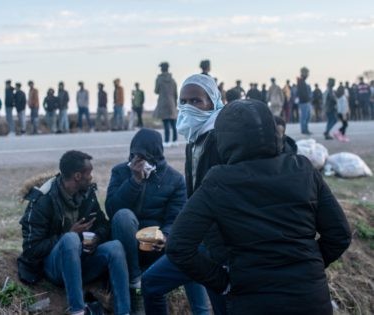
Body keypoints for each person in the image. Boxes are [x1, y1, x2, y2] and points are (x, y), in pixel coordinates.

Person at [167, 99, 352, 315]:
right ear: (273, 131)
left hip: (253, 300)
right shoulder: (302, 168)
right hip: (311, 300)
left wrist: (224, 282)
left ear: (224, 138)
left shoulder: (219, 180)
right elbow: (340, 234)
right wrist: (309, 266)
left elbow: (178, 245)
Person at [142, 74, 227, 315]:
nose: (188, 107)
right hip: (201, 240)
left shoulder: (221, 138)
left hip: (221, 244)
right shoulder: (195, 140)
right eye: (184, 101)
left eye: (196, 101)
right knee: (151, 283)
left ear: (213, 102)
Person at [18, 150, 131, 315]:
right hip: (54, 268)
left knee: (115, 247)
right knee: (70, 239)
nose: (91, 177)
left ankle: (124, 312)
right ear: (77, 176)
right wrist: (68, 235)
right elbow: (31, 248)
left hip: (83, 262)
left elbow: (103, 225)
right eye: (89, 173)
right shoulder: (43, 200)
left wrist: (97, 239)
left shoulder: (87, 195)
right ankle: (78, 310)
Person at [105, 129, 186, 289]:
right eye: (135, 156)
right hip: (125, 240)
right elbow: (111, 209)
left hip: (155, 245)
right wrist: (134, 182)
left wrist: (166, 235)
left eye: (144, 157)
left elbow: (176, 217)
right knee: (123, 216)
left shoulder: (175, 179)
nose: (139, 161)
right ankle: (135, 281)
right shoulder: (120, 172)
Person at [154, 62, 178, 147]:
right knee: (173, 123)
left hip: (163, 102)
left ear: (161, 69)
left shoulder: (159, 79)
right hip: (172, 103)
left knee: (166, 123)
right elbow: (176, 93)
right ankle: (175, 141)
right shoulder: (172, 80)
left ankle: (167, 141)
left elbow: (156, 91)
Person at [297, 66, 312, 134]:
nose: (308, 75)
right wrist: (306, 98)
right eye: (307, 73)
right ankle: (304, 130)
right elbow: (301, 93)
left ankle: (305, 129)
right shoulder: (300, 81)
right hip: (304, 102)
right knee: (304, 117)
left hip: (306, 101)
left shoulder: (302, 81)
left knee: (307, 116)